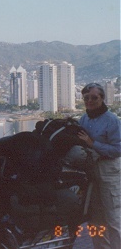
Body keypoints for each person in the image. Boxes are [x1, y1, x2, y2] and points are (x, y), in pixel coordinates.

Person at [77, 82, 121, 249]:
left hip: (109, 172)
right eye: (86, 98)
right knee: (95, 220)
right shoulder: (84, 118)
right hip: (91, 173)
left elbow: (118, 149)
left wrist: (92, 143)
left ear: (102, 98)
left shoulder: (112, 120)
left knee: (114, 219)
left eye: (94, 97)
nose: (90, 101)